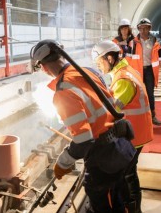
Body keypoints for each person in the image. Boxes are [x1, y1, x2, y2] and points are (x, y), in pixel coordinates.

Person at [30, 39, 136, 213]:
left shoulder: (63, 91)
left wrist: (63, 163)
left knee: (104, 206)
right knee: (117, 200)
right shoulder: (88, 72)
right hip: (120, 147)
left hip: (104, 161)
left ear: (43, 67)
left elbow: (83, 140)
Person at [92, 40, 153, 213]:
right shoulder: (126, 71)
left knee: (125, 176)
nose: (99, 68)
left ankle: (132, 209)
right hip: (136, 132)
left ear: (110, 58)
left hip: (134, 135)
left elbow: (112, 111)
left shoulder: (123, 80)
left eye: (99, 63)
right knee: (128, 174)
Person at [127, 18, 161, 126]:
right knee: (138, 94)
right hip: (137, 71)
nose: (142, 31)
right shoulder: (133, 43)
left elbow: (159, 57)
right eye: (140, 29)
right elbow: (128, 59)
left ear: (149, 28)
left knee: (150, 94)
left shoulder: (155, 41)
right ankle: (139, 117)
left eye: (145, 28)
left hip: (149, 71)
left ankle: (152, 116)